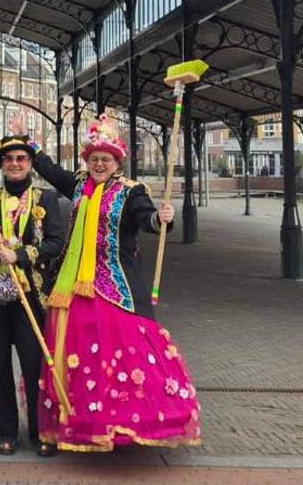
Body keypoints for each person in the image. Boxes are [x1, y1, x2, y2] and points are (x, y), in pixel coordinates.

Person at [11, 111, 201, 453]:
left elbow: (146, 218)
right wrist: (28, 142)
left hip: (117, 288)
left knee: (124, 359)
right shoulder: (79, 186)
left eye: (106, 159)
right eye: (95, 158)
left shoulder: (130, 192)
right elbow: (50, 170)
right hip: (72, 288)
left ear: (117, 161)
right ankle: (72, 425)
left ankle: (122, 424)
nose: (100, 164)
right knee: (74, 359)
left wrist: (161, 219)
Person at [0, 134, 67, 457]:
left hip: (30, 296)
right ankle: (5, 431)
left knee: (34, 364)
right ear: (1, 165)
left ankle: (41, 432)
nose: (15, 164)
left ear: (30, 164)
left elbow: (55, 243)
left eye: (21, 159)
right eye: (9, 160)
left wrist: (21, 254)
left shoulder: (47, 200)